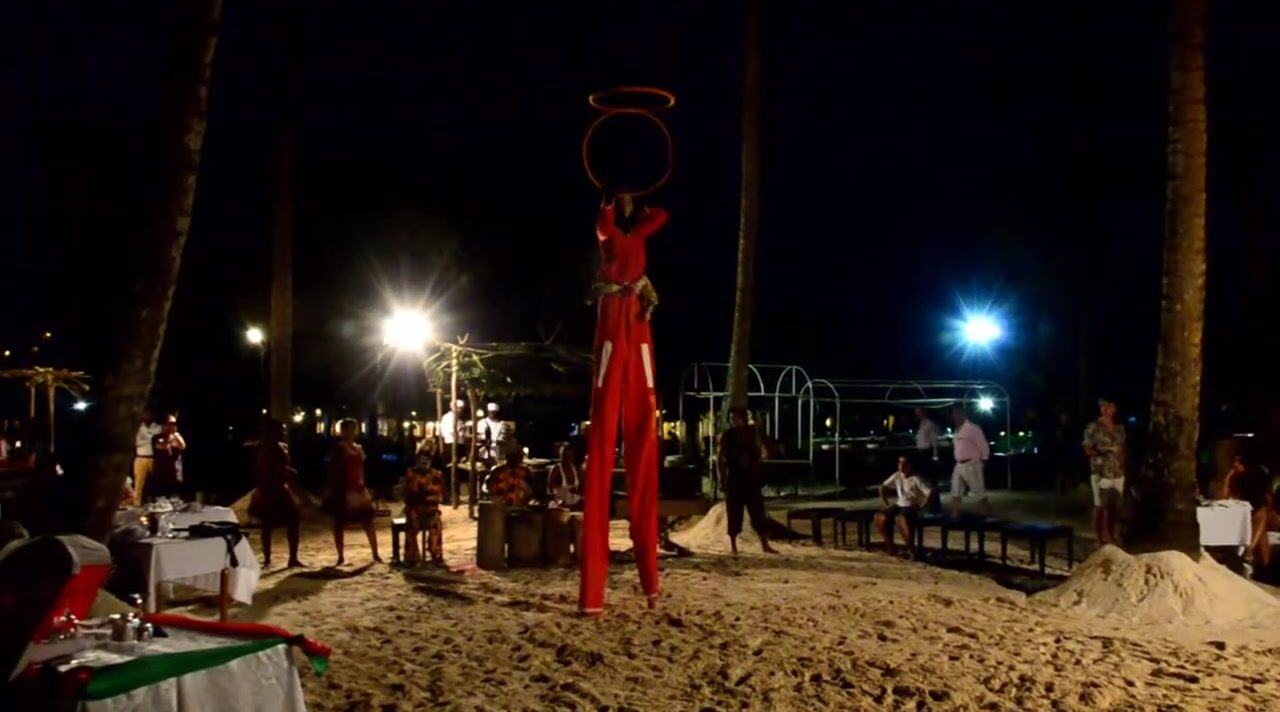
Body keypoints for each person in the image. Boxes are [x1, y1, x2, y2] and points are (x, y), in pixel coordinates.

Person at [581, 191, 669, 614]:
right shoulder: (611, 234)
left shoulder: (638, 232)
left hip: (637, 318)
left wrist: (641, 204)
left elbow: (662, 215)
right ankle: (592, 595)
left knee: (643, 433)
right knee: (602, 439)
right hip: (614, 317)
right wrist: (609, 200)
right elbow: (604, 226)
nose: (630, 200)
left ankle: (651, 584)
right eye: (625, 197)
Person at [718, 408, 778, 556]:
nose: (735, 420)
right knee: (734, 513)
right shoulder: (729, 435)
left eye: (737, 417)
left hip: (750, 478)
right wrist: (722, 479)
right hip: (735, 478)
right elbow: (721, 458)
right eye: (733, 418)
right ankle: (734, 546)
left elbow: (761, 452)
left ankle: (764, 543)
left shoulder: (752, 433)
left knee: (757, 513)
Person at [324, 418, 382, 566]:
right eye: (347, 429)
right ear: (342, 431)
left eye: (352, 429)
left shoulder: (358, 448)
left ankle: (375, 553)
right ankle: (340, 555)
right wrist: (333, 489)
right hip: (343, 489)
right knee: (339, 522)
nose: (350, 432)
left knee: (368, 520)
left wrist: (364, 484)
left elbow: (361, 469)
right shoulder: (339, 449)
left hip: (358, 488)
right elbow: (333, 470)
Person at [248, 419, 303, 568]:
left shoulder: (280, 447)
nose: (283, 432)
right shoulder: (266, 449)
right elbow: (262, 470)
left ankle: (291, 558)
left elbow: (281, 466)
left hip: (280, 488)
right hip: (270, 489)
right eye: (281, 430)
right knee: (268, 525)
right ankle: (268, 558)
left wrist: (288, 471)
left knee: (292, 521)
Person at [1082, 397, 1126, 547]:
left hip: (1117, 472)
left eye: (1109, 406)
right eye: (1103, 406)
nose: (1106, 409)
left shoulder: (1119, 428)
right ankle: (1099, 538)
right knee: (1100, 506)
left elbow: (1122, 449)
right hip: (1100, 471)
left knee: (1115, 507)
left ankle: (1112, 536)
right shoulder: (1093, 427)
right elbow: (1087, 449)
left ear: (1114, 409)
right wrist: (1104, 451)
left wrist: (1123, 465)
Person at [1220, 455, 1276, 570]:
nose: (1235, 465)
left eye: (1238, 463)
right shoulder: (1235, 478)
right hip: (1241, 514)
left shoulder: (1255, 479)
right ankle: (1252, 554)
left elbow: (1267, 500)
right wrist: (1228, 478)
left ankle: (1256, 558)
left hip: (1253, 512)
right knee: (1262, 521)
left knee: (1262, 520)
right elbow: (1223, 498)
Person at [876, 455, 933, 558]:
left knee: (901, 519)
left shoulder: (916, 478)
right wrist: (886, 504)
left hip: (911, 505)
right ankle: (891, 547)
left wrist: (922, 506)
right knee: (879, 517)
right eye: (900, 463)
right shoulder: (897, 475)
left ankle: (911, 549)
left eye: (904, 464)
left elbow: (929, 492)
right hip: (899, 504)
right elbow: (883, 487)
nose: (901, 466)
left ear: (910, 466)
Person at [403, 451, 445, 566]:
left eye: (425, 462)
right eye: (421, 462)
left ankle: (435, 553)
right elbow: (409, 494)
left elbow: (438, 494)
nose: (423, 465)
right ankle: (412, 556)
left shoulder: (436, 475)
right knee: (412, 523)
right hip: (414, 508)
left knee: (436, 523)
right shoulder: (411, 474)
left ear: (429, 463)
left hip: (431, 509)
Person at [949, 405, 990, 517]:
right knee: (955, 490)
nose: (955, 416)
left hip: (972, 463)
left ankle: (984, 515)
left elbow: (983, 445)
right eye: (953, 414)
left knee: (979, 492)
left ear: (963, 414)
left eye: (957, 414)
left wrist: (984, 460)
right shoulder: (957, 430)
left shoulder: (973, 428)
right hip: (959, 464)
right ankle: (955, 515)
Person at [145, 415, 186, 501]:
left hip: (175, 473)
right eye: (170, 423)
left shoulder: (177, 437)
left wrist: (175, 436)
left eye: (174, 424)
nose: (172, 426)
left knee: (174, 498)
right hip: (161, 473)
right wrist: (169, 438)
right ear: (164, 425)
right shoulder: (157, 437)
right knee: (160, 499)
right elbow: (161, 446)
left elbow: (182, 446)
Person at [132, 409, 163, 503]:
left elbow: (161, 440)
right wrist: (151, 440)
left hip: (154, 458)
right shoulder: (137, 427)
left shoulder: (157, 427)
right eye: (145, 413)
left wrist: (146, 439)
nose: (147, 415)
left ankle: (155, 502)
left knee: (155, 482)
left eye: (149, 413)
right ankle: (137, 503)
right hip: (141, 457)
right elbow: (136, 443)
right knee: (139, 483)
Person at [488, 442, 531, 507]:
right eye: (517, 455)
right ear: (508, 457)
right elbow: (491, 491)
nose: (521, 458)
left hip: (520, 508)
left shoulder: (525, 472)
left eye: (520, 455)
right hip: (501, 508)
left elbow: (530, 492)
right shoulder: (497, 472)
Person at [548, 443, 583, 510]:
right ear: (561, 456)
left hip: (574, 504)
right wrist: (558, 502)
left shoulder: (577, 469)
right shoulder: (556, 470)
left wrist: (576, 491)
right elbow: (550, 492)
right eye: (565, 456)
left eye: (569, 456)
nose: (567, 459)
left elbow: (581, 489)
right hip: (559, 505)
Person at [914, 407, 940, 484]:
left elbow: (934, 440)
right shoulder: (921, 424)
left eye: (918, 412)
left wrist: (935, 455)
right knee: (924, 476)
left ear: (923, 412)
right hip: (921, 452)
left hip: (928, 452)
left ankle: (933, 490)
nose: (916, 415)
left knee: (930, 475)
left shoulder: (930, 424)